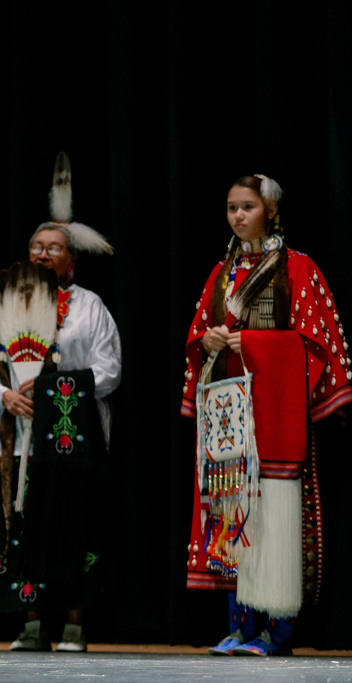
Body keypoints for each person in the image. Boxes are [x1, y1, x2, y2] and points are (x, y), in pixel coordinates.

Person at [180, 174, 350, 656]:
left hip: (273, 413)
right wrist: (207, 341)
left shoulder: (297, 267)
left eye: (247, 207)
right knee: (232, 515)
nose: (237, 216)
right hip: (230, 414)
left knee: (273, 517)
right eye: (232, 207)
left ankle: (279, 634)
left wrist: (251, 343)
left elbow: (315, 342)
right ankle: (241, 628)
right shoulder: (222, 272)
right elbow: (196, 335)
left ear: (270, 211)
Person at [0, 153, 121, 653]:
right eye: (36, 246)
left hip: (72, 439)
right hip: (19, 439)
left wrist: (60, 388)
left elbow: (109, 371)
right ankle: (32, 625)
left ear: (70, 260)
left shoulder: (90, 308)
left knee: (76, 527)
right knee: (22, 525)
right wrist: (7, 395)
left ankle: (74, 626)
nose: (41, 253)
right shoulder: (10, 305)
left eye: (53, 247)